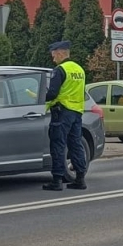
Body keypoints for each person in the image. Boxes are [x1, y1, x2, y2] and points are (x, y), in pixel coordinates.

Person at [43, 40, 88, 191]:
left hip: (62, 112)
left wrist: (40, 98)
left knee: (58, 145)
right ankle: (80, 179)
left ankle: (57, 180)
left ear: (60, 53)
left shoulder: (60, 70)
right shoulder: (79, 70)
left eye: (54, 55)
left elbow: (52, 93)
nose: (53, 59)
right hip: (77, 112)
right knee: (75, 144)